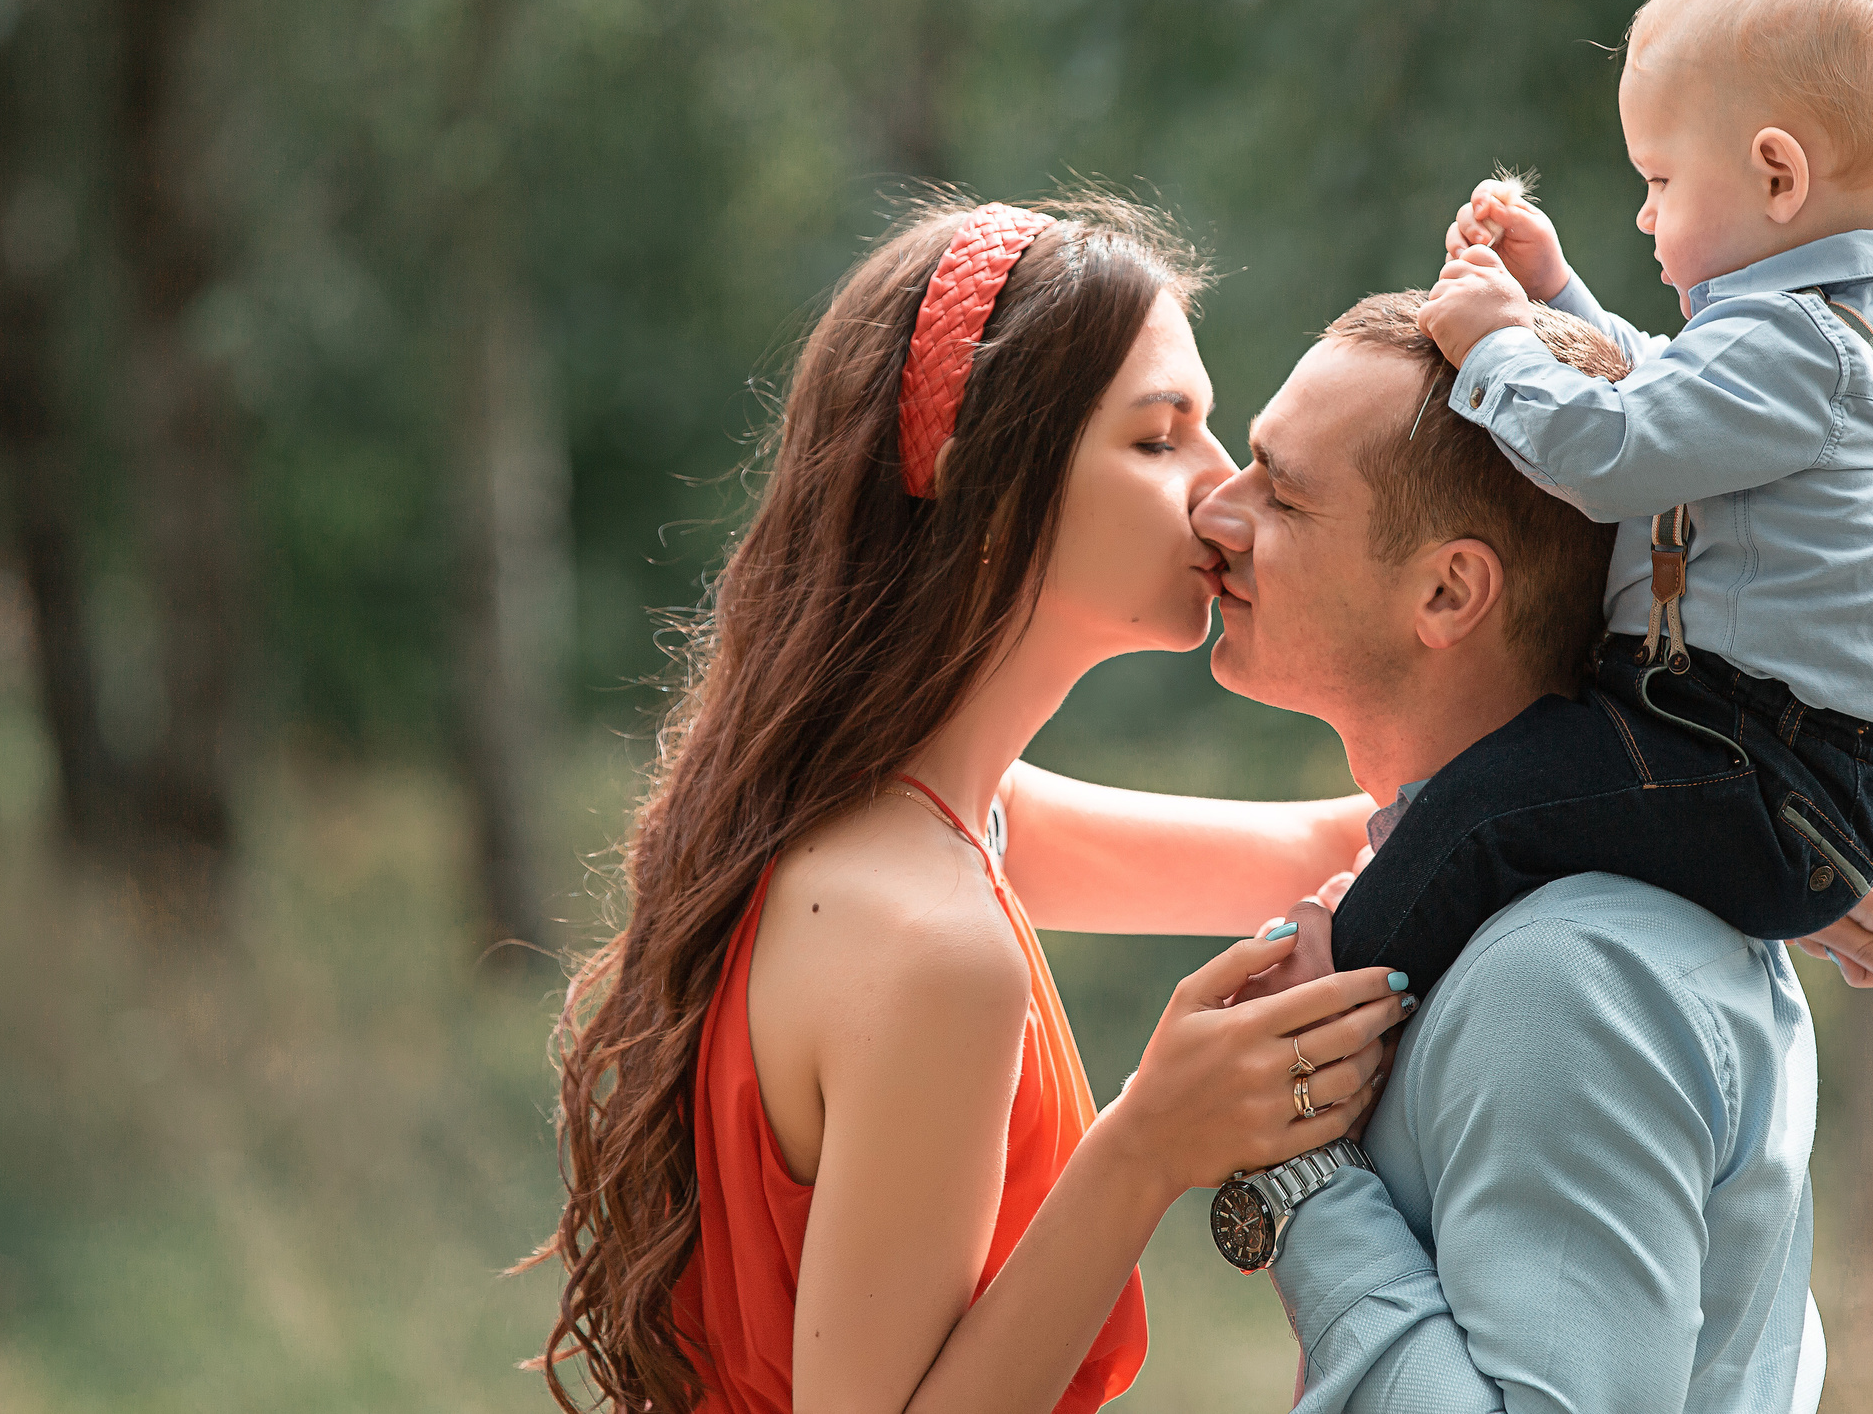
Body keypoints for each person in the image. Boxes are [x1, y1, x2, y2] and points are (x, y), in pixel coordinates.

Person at [526, 195, 1414, 1414]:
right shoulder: (935, 945)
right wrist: (1149, 1144)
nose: (1222, 496)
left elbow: (1346, 842)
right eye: (1160, 441)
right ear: (982, 489)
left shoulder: (937, 822)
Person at [1191, 289, 1873, 1411]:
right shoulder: (1543, 917)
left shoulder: (1563, 980)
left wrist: (1299, 1173)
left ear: (1449, 590)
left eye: (1282, 492)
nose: (1215, 509)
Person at [1338, 0, 1873, 1001]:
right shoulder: (1810, 337)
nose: (1644, 211)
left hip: (1762, 770)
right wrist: (1553, 302)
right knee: (1504, 785)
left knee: (1482, 816)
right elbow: (1669, 394)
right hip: (1764, 753)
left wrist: (1490, 345)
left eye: (1661, 181)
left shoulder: (1797, 348)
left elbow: (1611, 451)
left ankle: (1335, 1010)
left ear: (1776, 176)